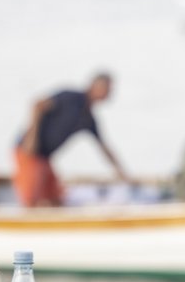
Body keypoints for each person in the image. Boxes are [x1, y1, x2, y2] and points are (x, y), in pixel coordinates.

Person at [14, 72, 130, 207]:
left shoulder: (88, 119)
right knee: (31, 200)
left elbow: (104, 147)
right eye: (107, 89)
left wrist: (120, 172)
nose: (109, 94)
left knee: (56, 199)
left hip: (44, 158)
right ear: (95, 86)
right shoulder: (70, 98)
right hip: (28, 152)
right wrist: (31, 138)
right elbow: (37, 105)